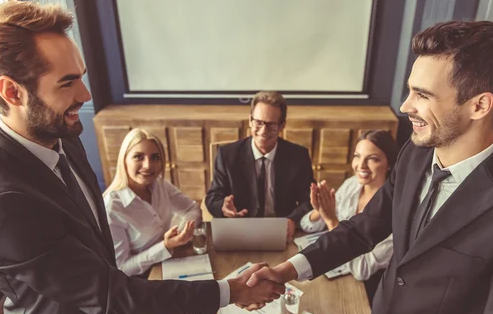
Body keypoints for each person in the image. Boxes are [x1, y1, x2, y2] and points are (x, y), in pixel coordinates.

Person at [0, 1, 283, 314]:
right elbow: (110, 291)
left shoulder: (62, 135)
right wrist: (230, 290)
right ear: (12, 91)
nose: (86, 93)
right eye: (67, 82)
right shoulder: (1, 204)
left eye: (81, 76)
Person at [246, 20, 493, 314]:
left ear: (479, 105)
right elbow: (364, 227)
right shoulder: (414, 154)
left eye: (422, 95)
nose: (405, 106)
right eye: (409, 91)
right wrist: (287, 271)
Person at [205, 91, 314, 241]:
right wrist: (223, 208)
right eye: (258, 122)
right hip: (240, 231)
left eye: (271, 125)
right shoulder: (227, 155)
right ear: (250, 120)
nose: (263, 131)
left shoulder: (298, 156)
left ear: (282, 126)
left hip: (281, 231)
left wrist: (293, 220)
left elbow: (309, 199)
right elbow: (212, 198)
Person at [300, 130, 397, 287]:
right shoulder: (352, 184)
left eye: (372, 159)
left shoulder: (396, 209)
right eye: (357, 156)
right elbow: (307, 225)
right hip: (337, 273)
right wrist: (320, 210)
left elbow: (362, 270)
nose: (361, 165)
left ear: (389, 165)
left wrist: (331, 221)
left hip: (368, 287)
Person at [104, 128, 201, 277]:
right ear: (124, 160)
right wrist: (165, 246)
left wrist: (183, 231)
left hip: (169, 262)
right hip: (141, 279)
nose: (148, 165)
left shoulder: (160, 184)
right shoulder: (112, 207)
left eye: (155, 157)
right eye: (138, 157)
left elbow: (192, 208)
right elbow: (122, 268)